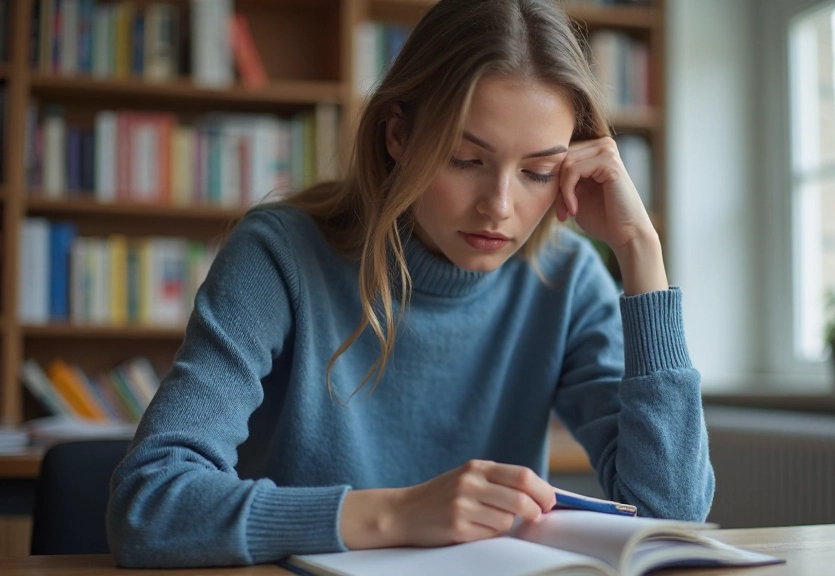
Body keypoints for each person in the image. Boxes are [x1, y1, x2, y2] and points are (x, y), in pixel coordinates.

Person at [107, 0, 714, 568]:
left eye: (538, 171)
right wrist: (397, 513)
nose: (499, 206)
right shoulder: (280, 255)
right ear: (398, 135)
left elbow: (672, 515)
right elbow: (150, 503)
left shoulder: (567, 282)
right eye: (464, 159)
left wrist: (642, 256)